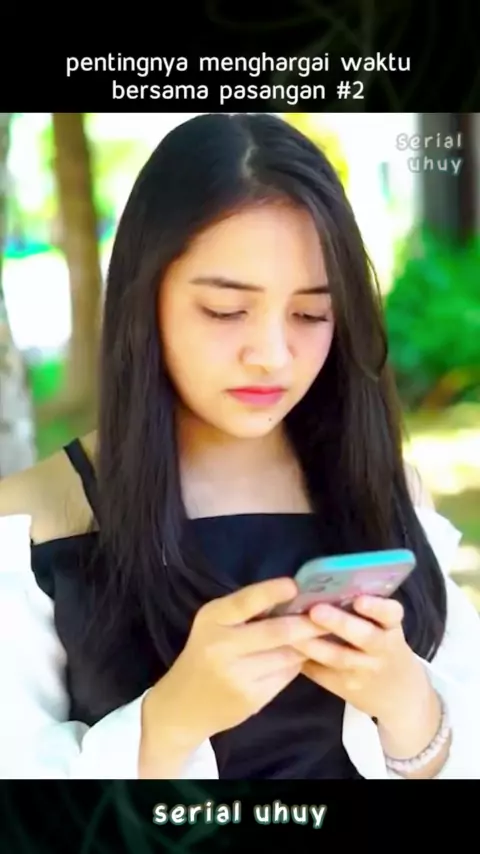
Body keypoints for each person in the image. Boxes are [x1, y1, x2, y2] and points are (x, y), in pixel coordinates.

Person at [1, 112, 479, 781]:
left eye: (310, 313)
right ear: (145, 300)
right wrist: (167, 724)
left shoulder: (387, 489)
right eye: (226, 310)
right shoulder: (30, 522)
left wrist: (410, 709)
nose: (273, 355)